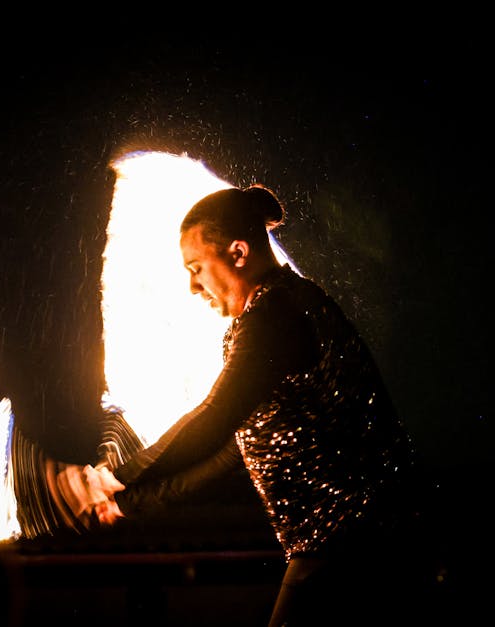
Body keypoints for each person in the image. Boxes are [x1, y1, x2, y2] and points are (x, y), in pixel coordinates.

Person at [54, 184, 438, 626]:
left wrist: (113, 478)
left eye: (197, 267)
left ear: (238, 252)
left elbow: (215, 418)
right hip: (357, 544)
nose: (193, 286)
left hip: (362, 545)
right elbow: (231, 452)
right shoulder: (274, 309)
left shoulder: (277, 315)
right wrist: (130, 501)